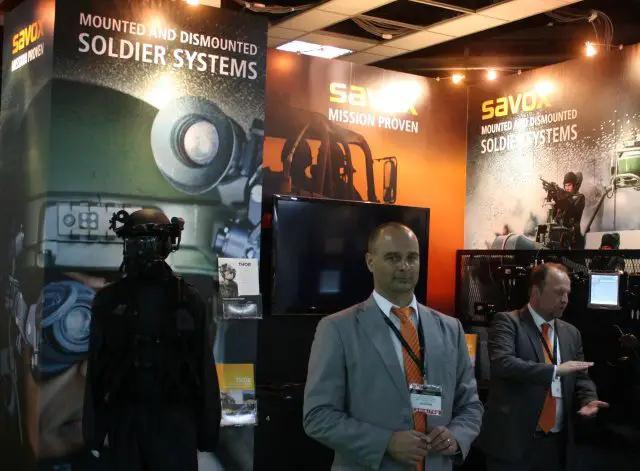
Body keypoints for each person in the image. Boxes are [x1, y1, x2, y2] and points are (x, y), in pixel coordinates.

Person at [303, 222, 483, 471]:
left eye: (412, 258)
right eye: (393, 258)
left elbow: (471, 406)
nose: (404, 266)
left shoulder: (450, 328)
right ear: (370, 262)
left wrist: (456, 436)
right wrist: (385, 443)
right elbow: (318, 416)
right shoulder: (337, 328)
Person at [82, 209, 221, 471]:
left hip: (148, 423)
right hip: (156, 424)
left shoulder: (110, 300)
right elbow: (204, 369)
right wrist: (208, 432)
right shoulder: (187, 299)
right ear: (168, 244)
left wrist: (94, 435)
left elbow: (96, 372)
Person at [476, 263, 609, 471]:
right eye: (558, 292)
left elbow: (581, 377)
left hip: (556, 445)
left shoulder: (571, 333)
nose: (565, 300)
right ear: (536, 292)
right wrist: (555, 370)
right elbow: (503, 364)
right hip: (513, 443)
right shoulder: (508, 323)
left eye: (567, 293)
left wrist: (588, 400)